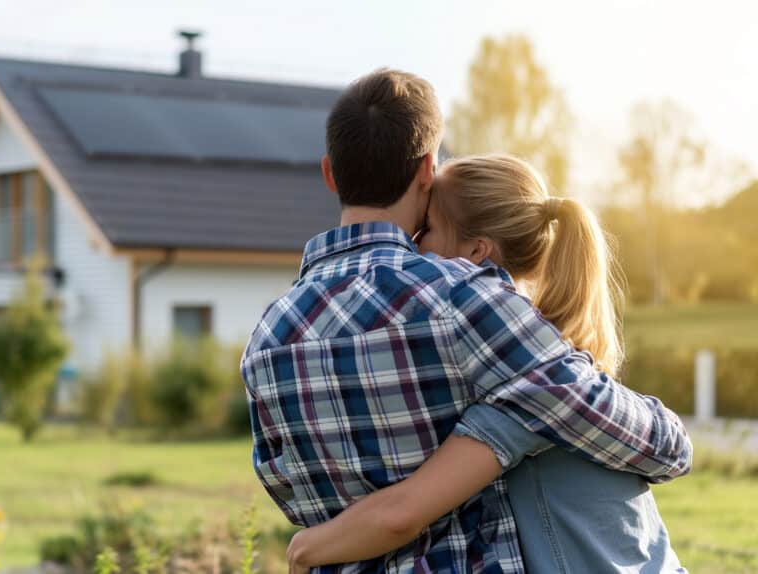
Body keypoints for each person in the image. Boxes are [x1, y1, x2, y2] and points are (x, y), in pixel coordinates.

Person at [240, 68, 692, 573]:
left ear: (329, 173)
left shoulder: (265, 340)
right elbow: (654, 445)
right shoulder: (462, 297)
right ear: (427, 171)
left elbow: (287, 492)